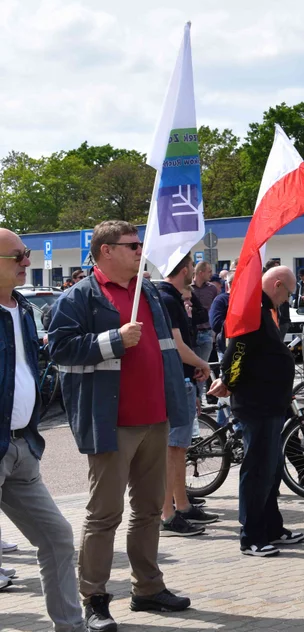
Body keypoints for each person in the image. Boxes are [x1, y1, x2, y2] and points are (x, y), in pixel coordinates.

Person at [48, 220, 192, 630]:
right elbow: (59, 350)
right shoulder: (78, 297)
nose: (139, 251)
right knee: (103, 514)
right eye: (132, 245)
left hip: (155, 418)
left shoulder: (147, 292)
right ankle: (93, 598)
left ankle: (147, 588)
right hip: (111, 423)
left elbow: (164, 350)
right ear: (106, 250)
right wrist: (113, 340)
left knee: (148, 510)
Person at [0, 229, 83, 628]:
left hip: (22, 450)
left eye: (28, 254)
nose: (26, 262)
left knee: (57, 538)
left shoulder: (24, 309)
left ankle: (71, 626)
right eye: (18, 255)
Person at [211, 266, 304, 560]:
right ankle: (251, 536)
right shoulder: (253, 310)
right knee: (257, 470)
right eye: (288, 293)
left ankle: (272, 527)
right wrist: (229, 381)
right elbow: (236, 350)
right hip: (257, 402)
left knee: (272, 468)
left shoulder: (266, 309)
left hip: (272, 401)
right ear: (277, 285)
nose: (287, 299)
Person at [155, 255, 215, 537]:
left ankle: (182, 504)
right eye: (192, 266)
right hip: (176, 379)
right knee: (172, 449)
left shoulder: (171, 297)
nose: (194, 270)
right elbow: (177, 345)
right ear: (184, 269)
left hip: (183, 378)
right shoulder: (168, 299)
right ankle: (167, 513)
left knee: (179, 449)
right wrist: (201, 364)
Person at [189, 261, 217, 366]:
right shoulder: (187, 288)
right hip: (191, 333)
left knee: (203, 365)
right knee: (191, 366)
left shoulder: (212, 289)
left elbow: (214, 309)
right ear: (201, 273)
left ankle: (202, 383)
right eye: (209, 271)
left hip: (207, 332)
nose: (211, 274)